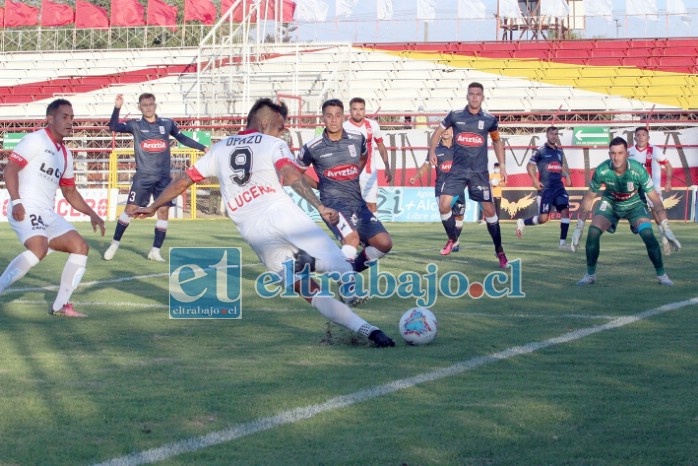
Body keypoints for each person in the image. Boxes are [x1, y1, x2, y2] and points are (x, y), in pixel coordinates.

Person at [133, 98, 395, 348]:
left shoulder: (219, 149)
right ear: (267, 124)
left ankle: (370, 331)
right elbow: (291, 176)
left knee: (311, 293)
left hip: (255, 233)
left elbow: (183, 180)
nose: (282, 132)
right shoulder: (271, 143)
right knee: (343, 267)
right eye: (280, 127)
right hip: (283, 215)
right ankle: (319, 267)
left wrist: (154, 206)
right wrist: (320, 206)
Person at [0, 99, 106, 316]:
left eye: (72, 118)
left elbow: (70, 192)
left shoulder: (65, 154)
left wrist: (92, 213)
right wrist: (17, 201)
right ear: (50, 118)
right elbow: (9, 170)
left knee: (80, 246)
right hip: (26, 206)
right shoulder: (35, 140)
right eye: (64, 117)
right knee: (38, 248)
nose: (70, 122)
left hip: (46, 212)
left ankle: (61, 305)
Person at [103, 93, 208, 262]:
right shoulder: (135, 125)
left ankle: (155, 251)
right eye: (145, 105)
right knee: (129, 211)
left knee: (163, 211)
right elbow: (113, 127)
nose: (148, 107)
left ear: (155, 105)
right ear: (140, 107)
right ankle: (114, 244)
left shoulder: (167, 123)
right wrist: (117, 107)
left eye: (151, 104)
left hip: (163, 178)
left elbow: (182, 138)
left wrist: (203, 148)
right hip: (143, 177)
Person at [298, 99, 393, 274]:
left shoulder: (358, 139)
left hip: (358, 203)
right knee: (352, 239)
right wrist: (319, 185)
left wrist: (351, 176)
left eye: (337, 115)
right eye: (329, 116)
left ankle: (330, 267)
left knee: (384, 243)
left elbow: (363, 157)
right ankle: (346, 285)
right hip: (333, 205)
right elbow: (296, 174)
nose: (333, 120)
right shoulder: (313, 147)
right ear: (323, 118)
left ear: (343, 117)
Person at [571, 137, 680, 286]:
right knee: (593, 232)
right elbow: (589, 198)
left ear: (627, 154)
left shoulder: (638, 170)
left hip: (634, 205)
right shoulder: (602, 170)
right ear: (609, 154)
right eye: (613, 153)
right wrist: (579, 227)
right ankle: (590, 275)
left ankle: (662, 276)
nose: (616, 157)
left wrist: (666, 227)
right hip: (611, 204)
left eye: (620, 153)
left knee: (648, 235)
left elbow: (655, 200)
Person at [427, 82, 509, 267]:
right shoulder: (455, 116)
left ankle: (500, 251)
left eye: (478, 94)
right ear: (467, 96)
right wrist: (432, 151)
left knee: (489, 211)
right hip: (457, 171)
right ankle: (452, 239)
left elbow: (497, 141)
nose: (474, 97)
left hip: (478, 173)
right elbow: (437, 132)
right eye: (471, 94)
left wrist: (502, 164)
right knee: (444, 205)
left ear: (482, 97)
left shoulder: (489, 120)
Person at [515, 127, 573, 250]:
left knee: (565, 212)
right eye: (551, 134)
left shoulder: (559, 152)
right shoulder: (540, 151)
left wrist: (567, 175)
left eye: (556, 134)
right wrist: (535, 181)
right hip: (545, 189)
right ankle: (522, 222)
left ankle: (562, 244)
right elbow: (529, 166)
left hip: (558, 187)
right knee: (543, 219)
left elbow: (559, 166)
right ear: (547, 135)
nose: (554, 136)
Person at [409, 127, 466, 253]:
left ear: (453, 131)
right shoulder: (435, 150)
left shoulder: (460, 148)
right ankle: (453, 241)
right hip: (442, 187)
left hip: (458, 186)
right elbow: (426, 165)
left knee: (459, 216)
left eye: (448, 129)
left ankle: (454, 241)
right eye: (443, 129)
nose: (445, 131)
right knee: (445, 211)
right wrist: (415, 177)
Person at [342, 97, 393, 213]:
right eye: (355, 109)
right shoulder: (344, 127)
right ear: (350, 110)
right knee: (351, 205)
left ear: (364, 110)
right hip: (349, 173)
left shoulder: (373, 125)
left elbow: (381, 146)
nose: (358, 112)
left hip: (369, 172)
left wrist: (387, 167)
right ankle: (354, 230)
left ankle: (373, 230)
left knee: (371, 205)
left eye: (361, 109)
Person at [628, 126, 674, 255]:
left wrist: (668, 182)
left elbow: (668, 165)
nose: (641, 137)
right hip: (636, 190)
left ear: (648, 137)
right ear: (635, 137)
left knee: (657, 212)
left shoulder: (655, 151)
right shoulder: (629, 152)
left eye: (643, 134)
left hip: (653, 188)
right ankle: (634, 224)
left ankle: (664, 240)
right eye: (638, 134)